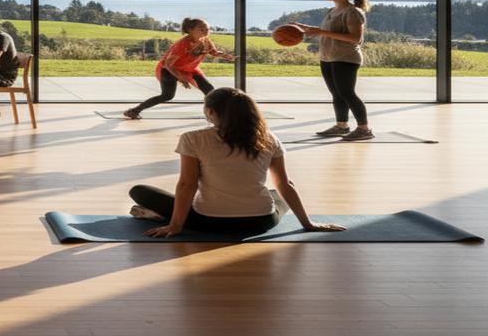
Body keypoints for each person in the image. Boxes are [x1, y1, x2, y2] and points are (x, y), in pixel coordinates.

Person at [128, 87, 347, 237]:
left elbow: (187, 184)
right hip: (260, 222)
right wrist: (308, 225)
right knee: (280, 191)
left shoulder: (193, 138)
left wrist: (176, 226)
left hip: (210, 221)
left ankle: (162, 216)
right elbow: (284, 184)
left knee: (140, 190)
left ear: (211, 111)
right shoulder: (269, 138)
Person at [294, 0, 373, 141]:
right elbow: (327, 31)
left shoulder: (353, 12)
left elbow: (355, 38)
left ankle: (364, 129)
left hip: (345, 58)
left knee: (347, 93)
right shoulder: (333, 11)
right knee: (337, 94)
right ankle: (341, 126)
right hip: (328, 57)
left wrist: (321, 32)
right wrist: (303, 27)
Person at [122, 18, 233, 119]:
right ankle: (134, 111)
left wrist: (225, 55)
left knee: (209, 90)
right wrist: (181, 78)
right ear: (190, 29)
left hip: (189, 69)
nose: (206, 31)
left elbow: (213, 52)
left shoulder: (206, 41)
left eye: (207, 29)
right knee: (167, 95)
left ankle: (218, 115)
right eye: (202, 28)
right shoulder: (182, 44)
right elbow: (168, 64)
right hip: (168, 70)